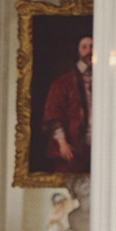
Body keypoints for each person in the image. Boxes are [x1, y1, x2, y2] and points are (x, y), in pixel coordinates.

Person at [42, 34, 93, 173]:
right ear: (78, 50)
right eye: (84, 47)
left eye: (92, 46)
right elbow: (53, 114)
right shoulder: (64, 82)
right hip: (72, 147)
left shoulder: (103, 80)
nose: (89, 51)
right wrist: (62, 143)